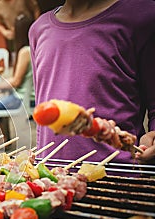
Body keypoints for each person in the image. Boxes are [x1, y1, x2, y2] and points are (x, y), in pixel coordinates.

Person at [29, 0, 155, 164]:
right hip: (54, 180)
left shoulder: (143, 17)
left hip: (118, 176)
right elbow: (43, 111)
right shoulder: (38, 29)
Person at [0, 0, 40, 64]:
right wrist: (5, 32)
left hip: (30, 32)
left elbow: (35, 10)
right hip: (15, 36)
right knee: (18, 59)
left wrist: (37, 25)